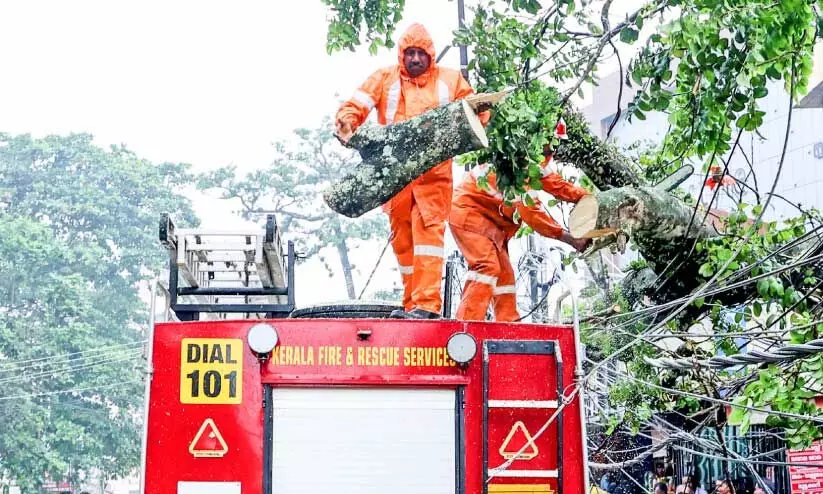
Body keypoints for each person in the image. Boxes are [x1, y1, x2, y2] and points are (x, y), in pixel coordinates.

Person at [335, 22, 489, 319]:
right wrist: (347, 120)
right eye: (410, 53)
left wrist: (474, 124)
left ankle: (426, 306)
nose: (415, 59)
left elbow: (478, 109)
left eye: (421, 53)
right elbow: (357, 104)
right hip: (395, 181)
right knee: (404, 246)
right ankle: (411, 304)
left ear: (430, 55)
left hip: (433, 179)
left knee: (429, 240)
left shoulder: (450, 80)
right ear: (401, 54)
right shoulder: (384, 79)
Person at [449, 121, 589, 321]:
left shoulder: (538, 159)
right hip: (470, 214)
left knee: (505, 276)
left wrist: (585, 198)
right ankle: (467, 326)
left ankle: (508, 326)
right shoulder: (517, 165)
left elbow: (558, 185)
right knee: (486, 267)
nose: (554, 147)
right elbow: (531, 212)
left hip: (490, 223)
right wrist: (569, 239)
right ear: (542, 138)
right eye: (553, 142)